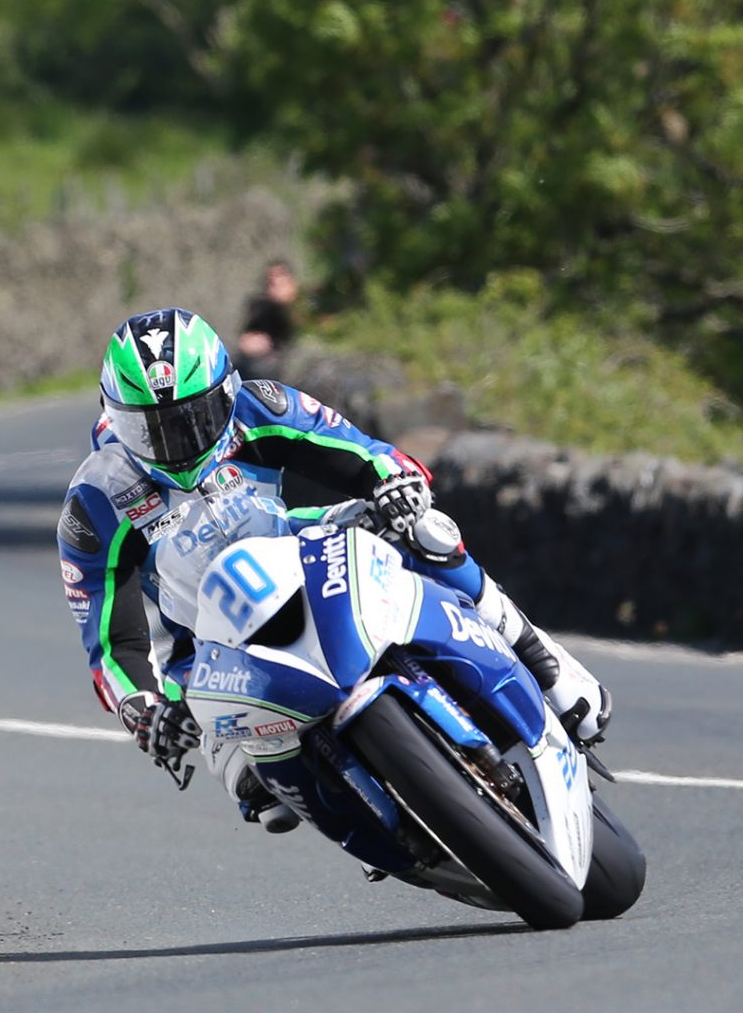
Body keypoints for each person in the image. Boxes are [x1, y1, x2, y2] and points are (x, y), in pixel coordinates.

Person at [56, 306, 609, 831]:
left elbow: (365, 453)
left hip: (305, 550)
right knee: (257, 794)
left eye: (194, 419)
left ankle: (542, 659)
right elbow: (108, 639)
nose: (178, 443)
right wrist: (144, 710)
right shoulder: (97, 500)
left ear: (226, 391)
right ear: (114, 419)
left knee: (424, 528)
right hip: (206, 647)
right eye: (152, 429)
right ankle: (375, 822)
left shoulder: (262, 408)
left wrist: (394, 485)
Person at [232, 261, 299, 378]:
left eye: (279, 278)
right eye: (270, 281)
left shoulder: (300, 310)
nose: (274, 282)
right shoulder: (260, 307)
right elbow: (248, 336)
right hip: (252, 363)